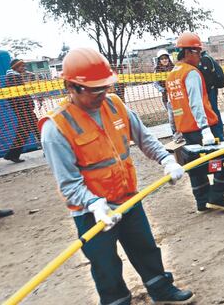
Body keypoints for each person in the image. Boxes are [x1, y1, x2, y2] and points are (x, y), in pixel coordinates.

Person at [39, 48, 193, 305]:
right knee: (105, 265)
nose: (102, 94)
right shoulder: (56, 128)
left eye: (105, 87)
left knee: (146, 249)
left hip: (128, 198)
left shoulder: (115, 105)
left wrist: (166, 159)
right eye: (95, 90)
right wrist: (94, 204)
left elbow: (144, 138)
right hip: (93, 213)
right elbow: (68, 182)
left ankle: (161, 290)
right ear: (71, 87)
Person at [166, 32, 224, 213]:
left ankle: (202, 201)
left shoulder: (172, 75)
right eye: (198, 53)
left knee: (196, 165)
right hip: (202, 128)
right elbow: (195, 103)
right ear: (188, 52)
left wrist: (176, 130)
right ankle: (217, 196)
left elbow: (172, 106)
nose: (200, 57)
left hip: (186, 129)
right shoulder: (191, 73)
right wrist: (205, 129)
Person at [3, 59, 40, 163]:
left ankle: (12, 155)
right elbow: (18, 95)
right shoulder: (13, 77)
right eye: (21, 66)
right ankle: (48, 150)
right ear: (15, 67)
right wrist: (27, 105)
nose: (24, 68)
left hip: (23, 109)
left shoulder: (12, 77)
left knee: (27, 130)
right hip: (24, 109)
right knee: (34, 128)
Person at [153, 49, 179, 141]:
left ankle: (182, 132)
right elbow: (155, 83)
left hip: (176, 95)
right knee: (171, 117)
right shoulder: (157, 71)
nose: (164, 60)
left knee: (179, 114)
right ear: (159, 60)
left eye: (166, 58)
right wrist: (163, 89)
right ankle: (175, 134)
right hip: (166, 97)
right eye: (162, 59)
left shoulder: (174, 68)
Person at [198, 50, 224, 138]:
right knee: (214, 110)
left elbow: (207, 78)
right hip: (212, 89)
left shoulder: (204, 60)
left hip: (210, 90)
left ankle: (219, 132)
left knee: (213, 110)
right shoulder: (207, 58)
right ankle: (219, 131)